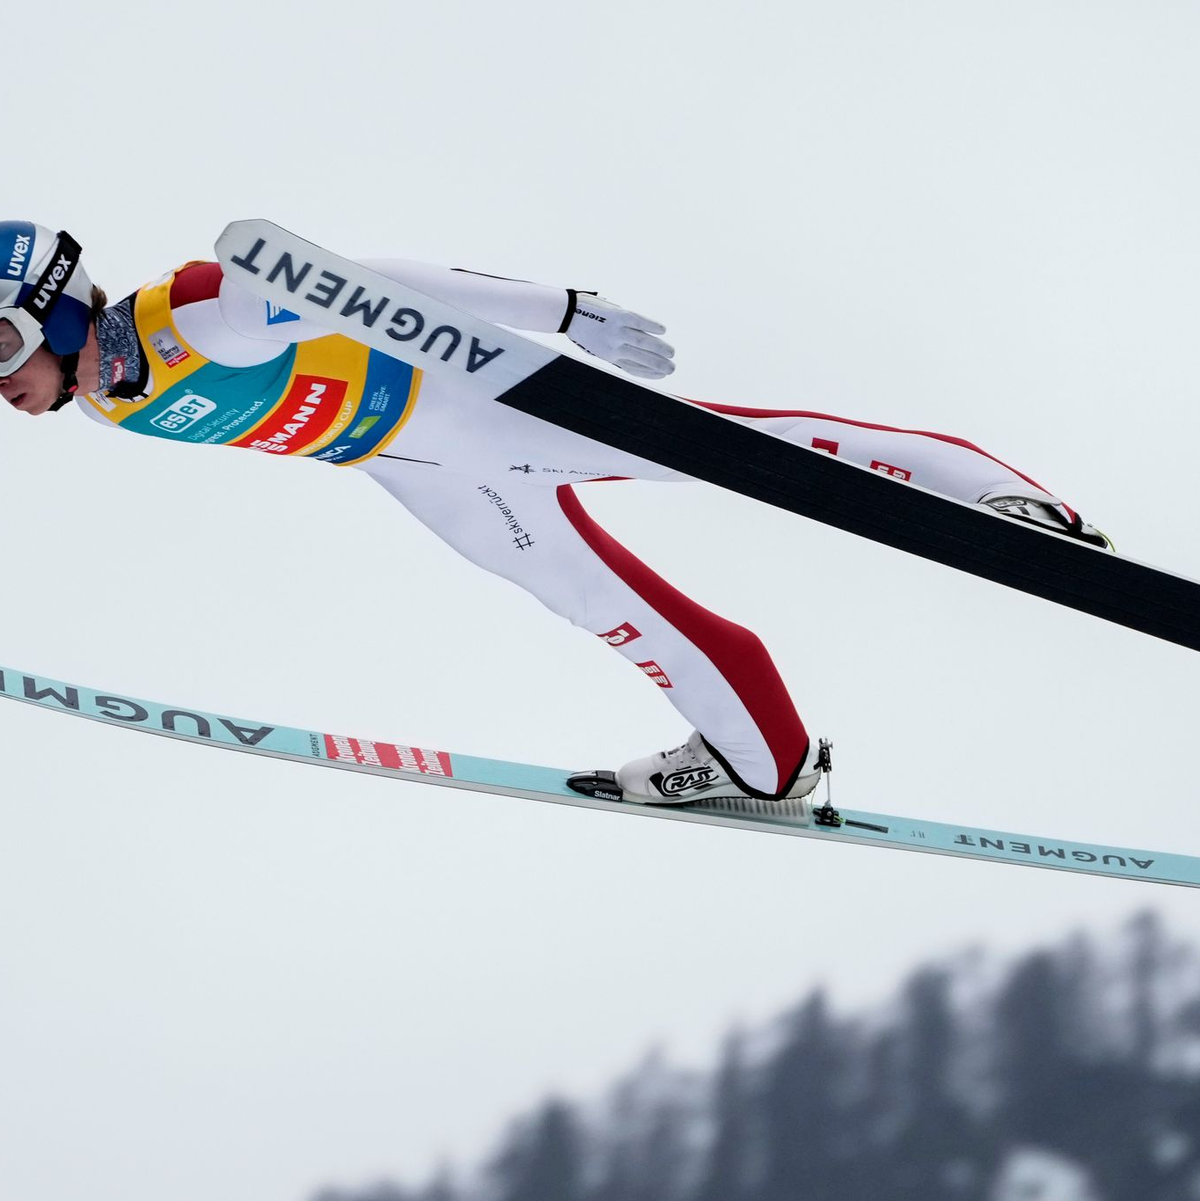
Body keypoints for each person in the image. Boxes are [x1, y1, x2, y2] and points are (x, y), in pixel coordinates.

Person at [0, 222, 1108, 814]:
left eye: (0, 348)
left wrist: (559, 312)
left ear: (51, 303)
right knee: (591, 598)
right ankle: (763, 759)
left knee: (742, 447)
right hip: (412, 465)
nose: (2, 384)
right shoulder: (109, 395)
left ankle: (1002, 502)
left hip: (465, 404)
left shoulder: (194, 311)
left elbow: (375, 281)